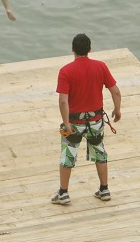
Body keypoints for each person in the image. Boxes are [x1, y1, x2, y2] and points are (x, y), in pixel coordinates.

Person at [52, 33, 122, 205]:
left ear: (72, 49)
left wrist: (66, 122)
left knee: (68, 155)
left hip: (75, 123)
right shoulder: (100, 67)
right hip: (95, 121)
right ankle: (104, 189)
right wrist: (117, 110)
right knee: (100, 153)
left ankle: (63, 193)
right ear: (90, 49)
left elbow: (63, 101)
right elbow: (115, 91)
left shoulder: (66, 71)